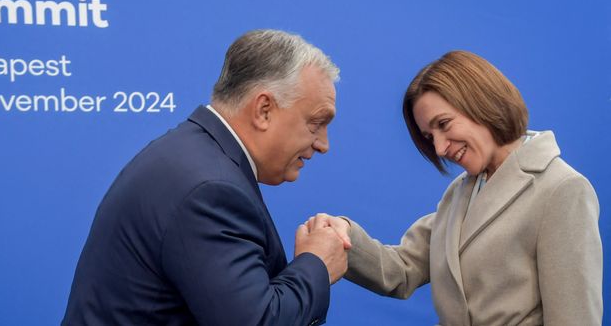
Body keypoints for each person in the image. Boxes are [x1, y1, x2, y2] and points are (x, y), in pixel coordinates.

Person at [62, 29, 352, 325]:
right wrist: (316, 264)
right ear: (263, 110)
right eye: (316, 123)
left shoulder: (190, 156)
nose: (323, 144)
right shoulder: (210, 190)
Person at [307, 51, 603, 325]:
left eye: (444, 124)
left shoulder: (562, 189)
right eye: (429, 135)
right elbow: (401, 270)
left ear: (482, 102)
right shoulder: (461, 192)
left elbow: (574, 318)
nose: (439, 147)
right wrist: (343, 233)